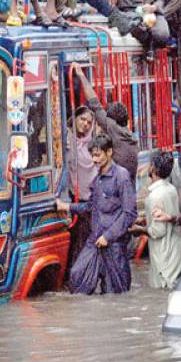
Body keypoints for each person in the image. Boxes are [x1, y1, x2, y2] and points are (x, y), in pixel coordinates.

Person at [56, 134, 136, 294]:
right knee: (77, 275)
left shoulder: (121, 176)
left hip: (114, 244)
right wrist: (67, 207)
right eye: (93, 155)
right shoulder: (98, 178)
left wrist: (108, 236)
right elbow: (91, 206)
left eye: (98, 155)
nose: (95, 159)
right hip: (95, 239)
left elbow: (129, 213)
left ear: (109, 152)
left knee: (115, 290)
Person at [71, 63, 138, 182]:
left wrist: (81, 75)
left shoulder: (114, 129)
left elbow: (95, 104)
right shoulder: (130, 138)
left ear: (111, 120)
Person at [131, 151, 181, 289]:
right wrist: (145, 219)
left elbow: (158, 231)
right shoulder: (171, 189)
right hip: (174, 252)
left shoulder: (155, 196)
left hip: (163, 256)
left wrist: (140, 230)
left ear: (153, 168)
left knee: (163, 292)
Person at [65, 106, 98, 270]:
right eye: (82, 119)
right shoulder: (66, 138)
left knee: (83, 241)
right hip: (70, 196)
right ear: (75, 118)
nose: (85, 124)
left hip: (89, 200)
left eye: (89, 122)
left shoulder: (93, 144)